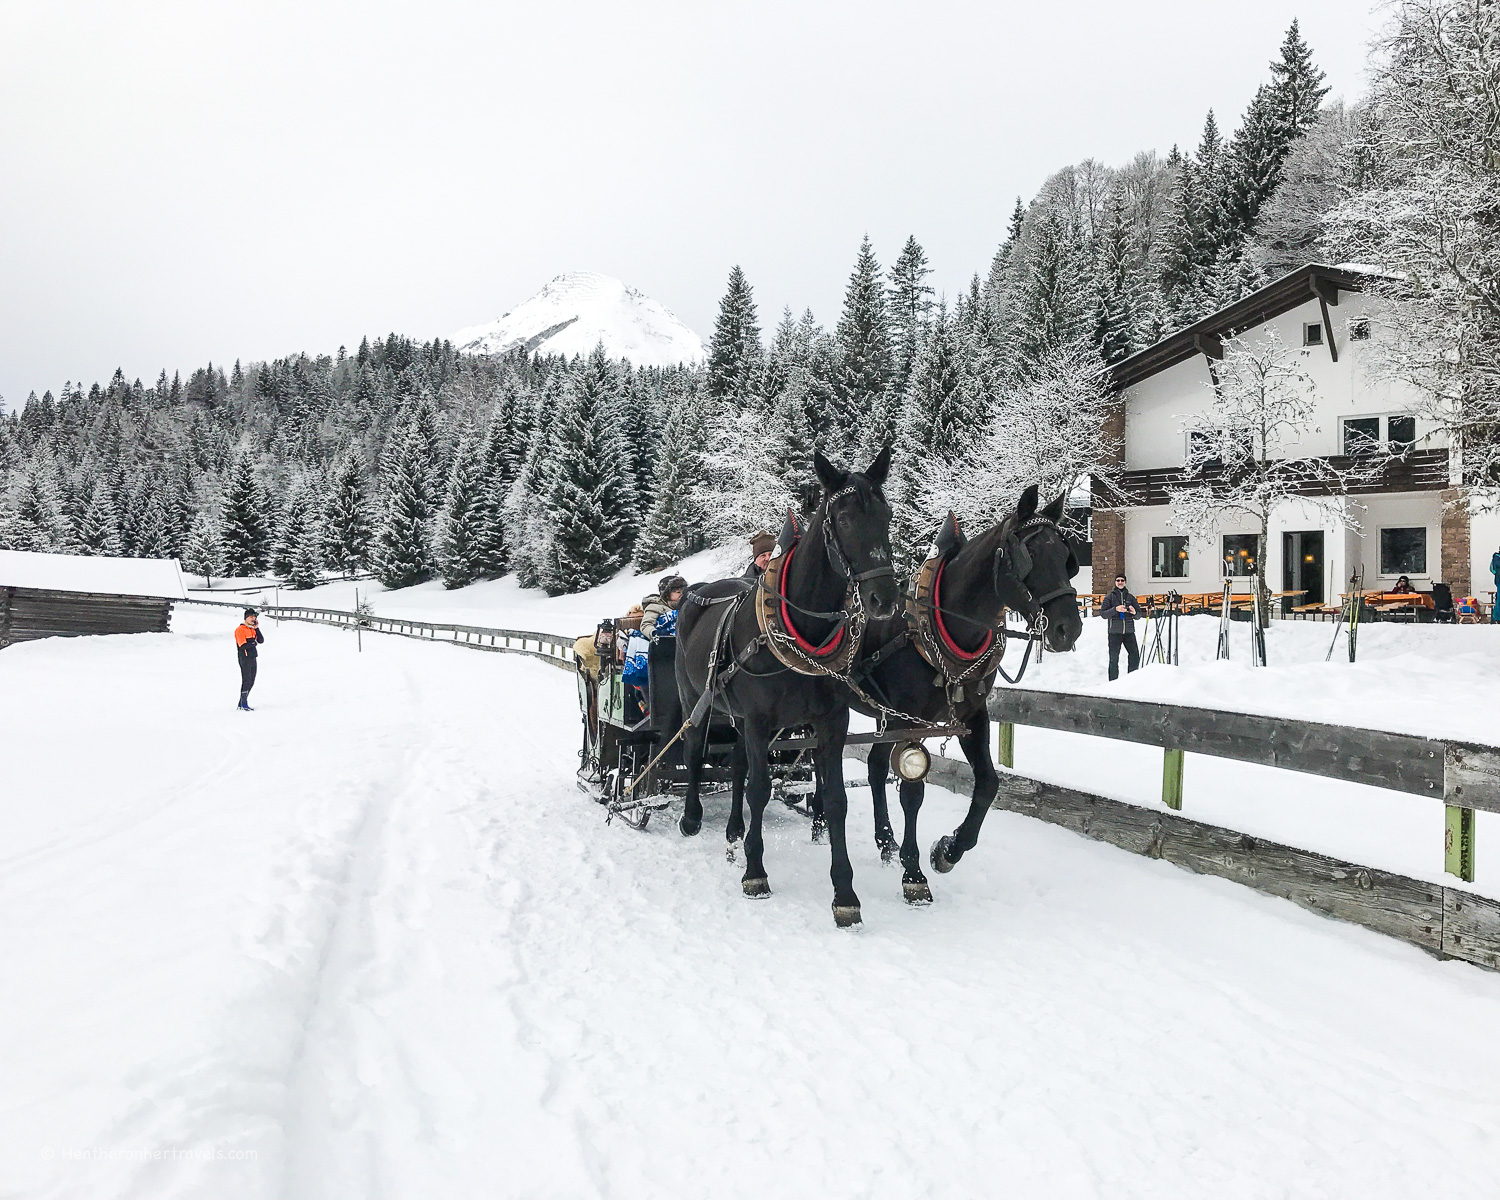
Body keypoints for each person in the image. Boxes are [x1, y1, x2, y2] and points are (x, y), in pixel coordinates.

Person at [1101, 573, 1140, 682]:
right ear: (1115, 582)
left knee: (1134, 656)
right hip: (1114, 633)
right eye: (1118, 580)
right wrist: (1115, 609)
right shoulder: (1109, 597)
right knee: (1114, 659)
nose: (1120, 582)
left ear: (1125, 582)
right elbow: (1103, 614)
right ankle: (1113, 683)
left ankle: (1131, 680)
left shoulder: (1131, 597)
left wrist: (1134, 612)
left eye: (1122, 580)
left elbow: (1138, 615)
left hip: (1129, 632)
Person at [641, 574, 687, 640]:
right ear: (667, 595)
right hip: (666, 641)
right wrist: (656, 633)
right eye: (678, 592)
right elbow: (646, 625)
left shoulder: (686, 605)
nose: (681, 594)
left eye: (683, 591)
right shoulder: (655, 607)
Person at [235, 608, 264, 711]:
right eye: (251, 617)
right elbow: (242, 645)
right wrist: (253, 643)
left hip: (253, 657)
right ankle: (243, 704)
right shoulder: (240, 629)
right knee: (246, 680)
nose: (253, 619)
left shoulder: (253, 629)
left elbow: (261, 640)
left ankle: (241, 703)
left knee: (251, 681)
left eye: (254, 617)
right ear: (246, 618)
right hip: (244, 658)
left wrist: (257, 629)